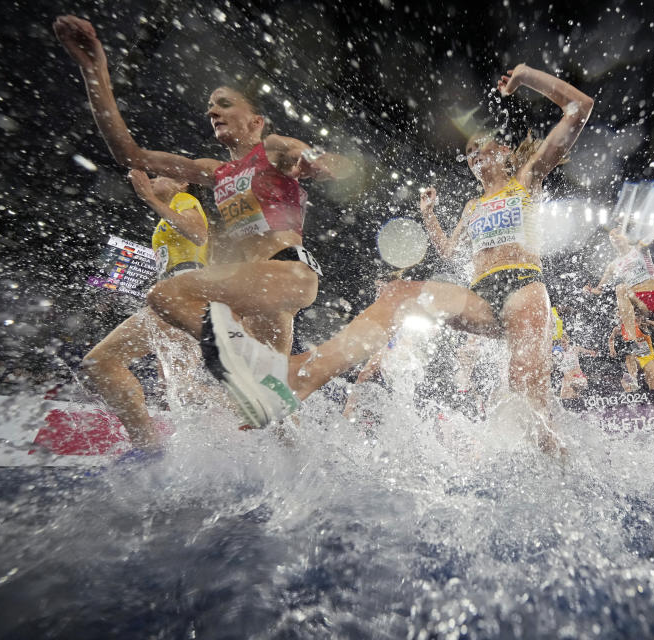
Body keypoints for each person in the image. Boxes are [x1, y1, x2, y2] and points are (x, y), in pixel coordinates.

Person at [203, 63, 593, 455]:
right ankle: (300, 376)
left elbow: (579, 106)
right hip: (482, 292)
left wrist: (525, 76)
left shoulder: (527, 179)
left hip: (524, 288)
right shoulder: (473, 205)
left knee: (530, 410)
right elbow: (450, 252)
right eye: (468, 153)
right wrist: (428, 216)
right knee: (397, 294)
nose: (473, 156)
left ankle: (558, 465)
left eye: (480, 147)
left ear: (505, 150)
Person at [54, 16, 353, 442]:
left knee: (167, 293)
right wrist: (94, 69)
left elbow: (328, 162)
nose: (212, 111)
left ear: (256, 120)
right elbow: (129, 153)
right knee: (272, 420)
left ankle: (241, 366)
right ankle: (160, 447)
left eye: (224, 103)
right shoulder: (212, 171)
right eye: (210, 106)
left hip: (288, 273)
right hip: (249, 297)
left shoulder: (274, 149)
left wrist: (323, 163)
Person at [81, 171, 208, 449]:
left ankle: (145, 446)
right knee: (180, 390)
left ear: (181, 182)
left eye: (158, 176)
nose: (150, 180)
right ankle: (257, 410)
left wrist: (149, 198)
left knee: (100, 362)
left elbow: (198, 235)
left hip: (182, 297)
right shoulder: (168, 217)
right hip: (188, 298)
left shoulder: (184, 199)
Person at [584, 228, 654, 388]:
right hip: (637, 299)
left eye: (617, 233)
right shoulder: (612, 265)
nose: (614, 237)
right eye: (611, 236)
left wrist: (643, 225)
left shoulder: (640, 248)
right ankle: (633, 340)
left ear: (627, 236)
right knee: (620, 288)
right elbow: (599, 289)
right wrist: (591, 290)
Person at [608, 313, 654, 392]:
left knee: (651, 376)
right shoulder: (618, 329)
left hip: (645, 349)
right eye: (618, 317)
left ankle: (652, 390)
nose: (619, 318)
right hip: (635, 347)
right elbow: (611, 339)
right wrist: (612, 349)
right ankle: (633, 380)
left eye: (620, 316)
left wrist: (647, 321)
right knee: (629, 356)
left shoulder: (639, 323)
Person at [553, 332, 597, 399]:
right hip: (567, 381)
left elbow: (586, 351)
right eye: (560, 343)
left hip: (578, 378)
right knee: (563, 398)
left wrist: (592, 352)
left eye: (564, 342)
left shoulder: (575, 349)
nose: (562, 344)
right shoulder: (558, 354)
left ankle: (577, 394)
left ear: (568, 341)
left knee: (572, 391)